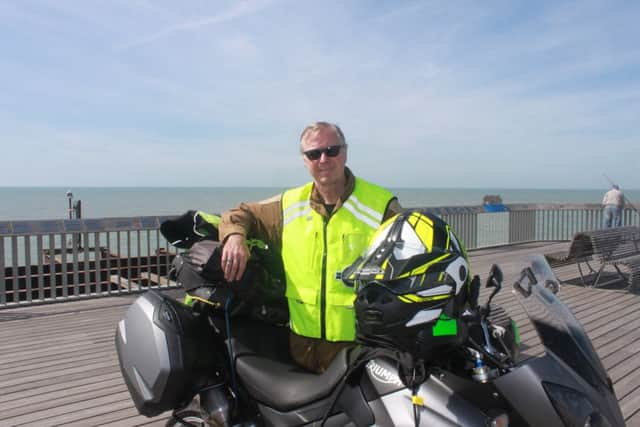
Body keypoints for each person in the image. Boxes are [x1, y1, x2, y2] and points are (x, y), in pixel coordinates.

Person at [218, 121, 402, 373]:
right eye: (314, 154)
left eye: (331, 150)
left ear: (345, 152)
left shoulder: (381, 206)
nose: (323, 159)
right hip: (301, 348)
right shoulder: (288, 205)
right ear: (305, 160)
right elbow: (240, 213)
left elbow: (420, 248)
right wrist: (234, 238)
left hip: (359, 348)